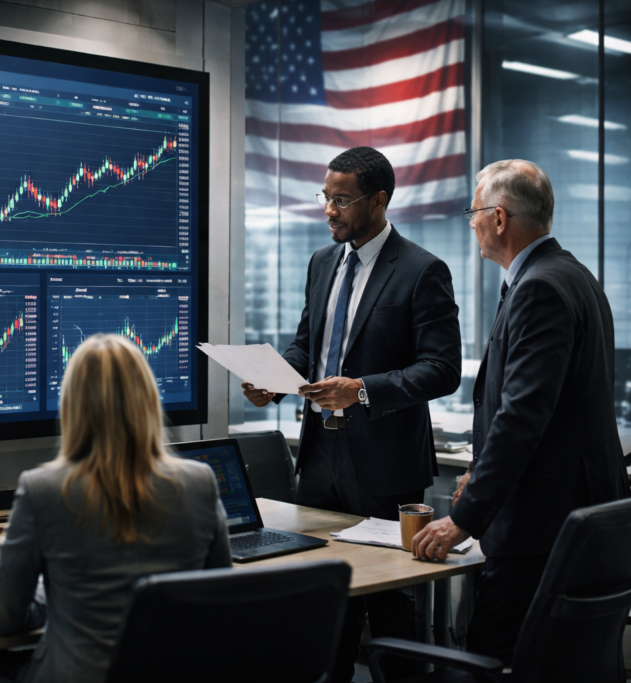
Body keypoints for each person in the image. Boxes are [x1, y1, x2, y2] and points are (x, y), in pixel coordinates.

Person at [242, 146, 462, 682]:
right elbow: (308, 345)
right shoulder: (322, 262)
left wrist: (361, 390)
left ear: (378, 200)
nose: (329, 210)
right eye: (326, 197)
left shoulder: (422, 270)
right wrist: (275, 381)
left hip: (385, 466)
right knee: (321, 598)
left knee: (391, 608)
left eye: (341, 200)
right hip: (320, 456)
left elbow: (441, 370)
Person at [412, 160, 629, 664]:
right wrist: (478, 474)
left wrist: (463, 519)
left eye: (474, 212)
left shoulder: (539, 288)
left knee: (492, 656)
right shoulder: (575, 276)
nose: (471, 223)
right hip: (577, 518)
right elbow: (557, 411)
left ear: (499, 218)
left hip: (541, 528)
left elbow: (521, 418)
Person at [0, 334, 232, 683]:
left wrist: (58, 599)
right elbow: (218, 598)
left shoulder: (43, 489)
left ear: (72, 405)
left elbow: (1, 618)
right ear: (149, 400)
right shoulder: (200, 482)